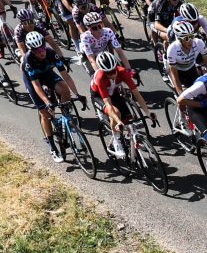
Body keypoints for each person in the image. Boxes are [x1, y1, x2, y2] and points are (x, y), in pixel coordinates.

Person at [23, 31, 78, 160]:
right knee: (45, 113)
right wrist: (47, 102)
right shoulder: (28, 60)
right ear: (31, 51)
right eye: (36, 51)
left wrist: (77, 94)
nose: (41, 52)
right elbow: (36, 85)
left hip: (47, 74)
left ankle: (66, 118)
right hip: (33, 81)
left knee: (64, 89)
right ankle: (52, 146)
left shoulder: (51, 53)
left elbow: (65, 75)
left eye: (42, 48)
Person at [87, 50, 147, 158]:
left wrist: (148, 112)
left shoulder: (122, 71)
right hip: (99, 96)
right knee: (116, 113)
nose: (112, 74)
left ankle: (130, 138)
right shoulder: (100, 78)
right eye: (108, 73)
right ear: (102, 71)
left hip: (113, 93)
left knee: (129, 120)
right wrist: (118, 121)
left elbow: (137, 94)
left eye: (113, 70)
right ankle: (116, 141)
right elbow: (108, 104)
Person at [163, 17, 207, 93]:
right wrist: (181, 94)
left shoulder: (198, 43)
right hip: (178, 73)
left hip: (191, 69)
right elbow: (175, 76)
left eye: (192, 36)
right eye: (187, 38)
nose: (191, 41)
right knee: (184, 99)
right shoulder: (173, 49)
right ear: (180, 39)